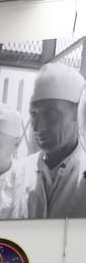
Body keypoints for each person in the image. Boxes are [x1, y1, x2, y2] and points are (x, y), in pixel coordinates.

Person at [24, 62, 86, 219]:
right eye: (34, 114)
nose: (38, 126)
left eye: (51, 115)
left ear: (77, 115)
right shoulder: (18, 174)